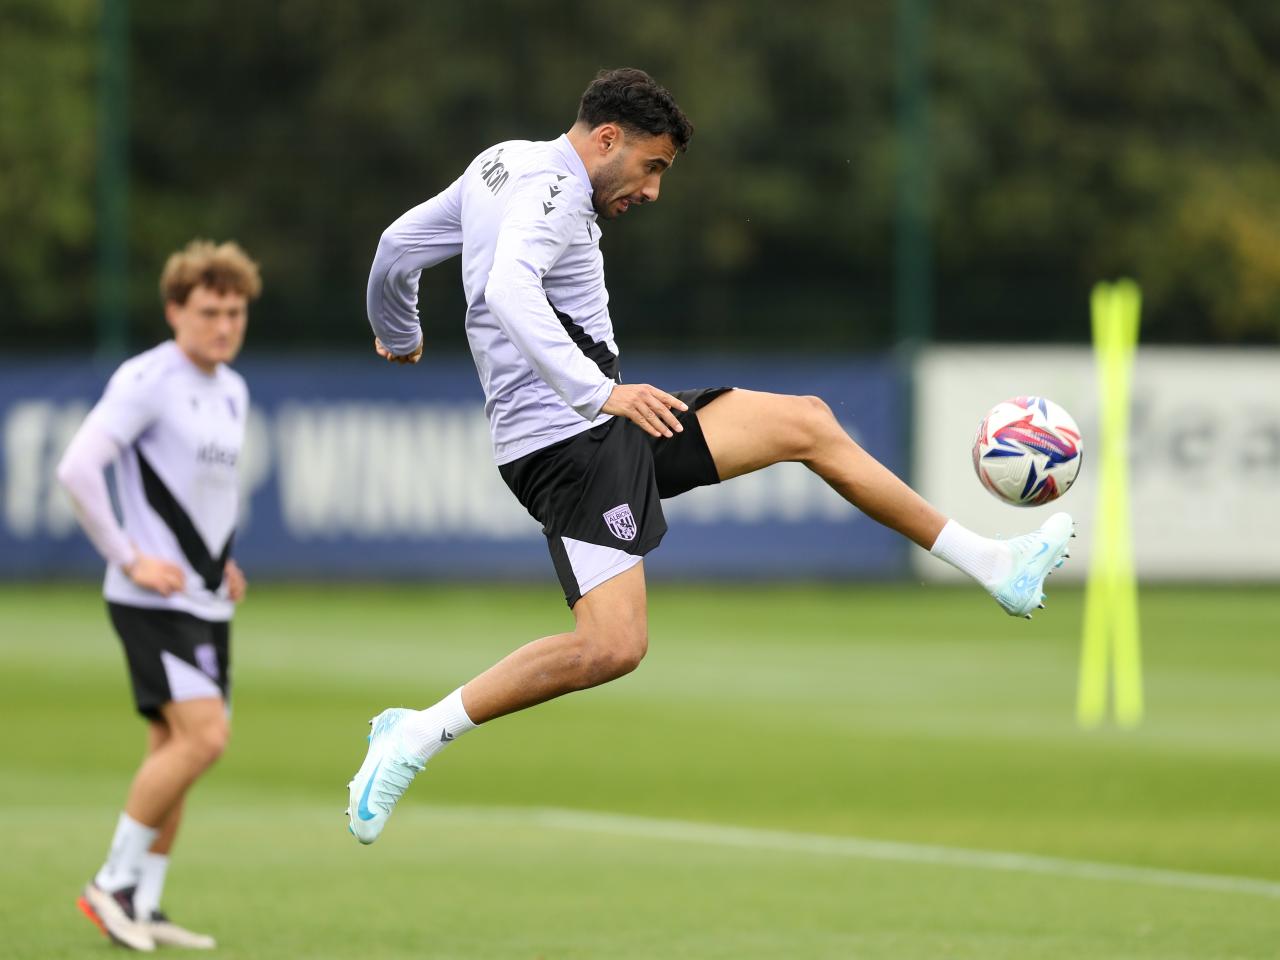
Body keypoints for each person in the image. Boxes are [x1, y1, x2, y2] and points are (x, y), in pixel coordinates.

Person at [349, 68, 1073, 845]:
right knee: (613, 647)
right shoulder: (552, 192)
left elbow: (398, 247)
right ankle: (415, 735)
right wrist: (599, 393)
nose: (653, 190)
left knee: (807, 423)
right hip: (568, 445)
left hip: (605, 425)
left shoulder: (501, 162)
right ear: (606, 139)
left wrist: (397, 328)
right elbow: (507, 290)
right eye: (651, 167)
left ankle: (994, 564)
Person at [57, 239, 260, 951]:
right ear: (175, 311)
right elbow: (78, 469)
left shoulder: (232, 389)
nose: (224, 326)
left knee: (173, 748)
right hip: (151, 602)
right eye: (209, 312)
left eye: (235, 312)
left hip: (204, 600)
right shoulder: (147, 379)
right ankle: (110, 883)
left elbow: (202, 495)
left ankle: (141, 903)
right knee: (205, 738)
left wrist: (221, 563)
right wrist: (129, 558)